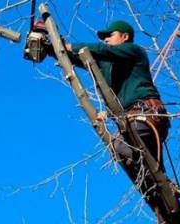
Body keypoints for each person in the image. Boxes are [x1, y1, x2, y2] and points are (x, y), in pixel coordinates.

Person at [62, 20, 171, 222]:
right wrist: (55, 47)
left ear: (124, 37)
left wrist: (72, 46)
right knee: (145, 170)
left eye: (109, 35)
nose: (105, 39)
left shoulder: (133, 52)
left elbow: (99, 51)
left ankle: (164, 190)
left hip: (145, 115)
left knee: (119, 146)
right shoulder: (107, 63)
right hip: (132, 121)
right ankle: (165, 202)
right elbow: (82, 58)